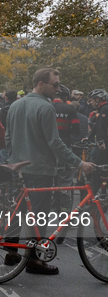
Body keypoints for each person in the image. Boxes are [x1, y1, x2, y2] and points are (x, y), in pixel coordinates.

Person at [5, 68, 94, 275]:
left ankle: (10, 250)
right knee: (39, 216)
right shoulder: (45, 108)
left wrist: (13, 158)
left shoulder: (15, 105)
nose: (58, 88)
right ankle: (35, 260)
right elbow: (55, 143)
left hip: (17, 166)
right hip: (40, 168)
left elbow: (8, 137)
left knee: (19, 210)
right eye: (55, 84)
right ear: (41, 84)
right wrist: (79, 163)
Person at [52, 84, 81, 213]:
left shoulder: (45, 107)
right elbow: (76, 130)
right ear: (65, 97)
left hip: (47, 153)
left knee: (47, 184)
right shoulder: (70, 109)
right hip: (64, 151)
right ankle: (65, 215)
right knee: (65, 184)